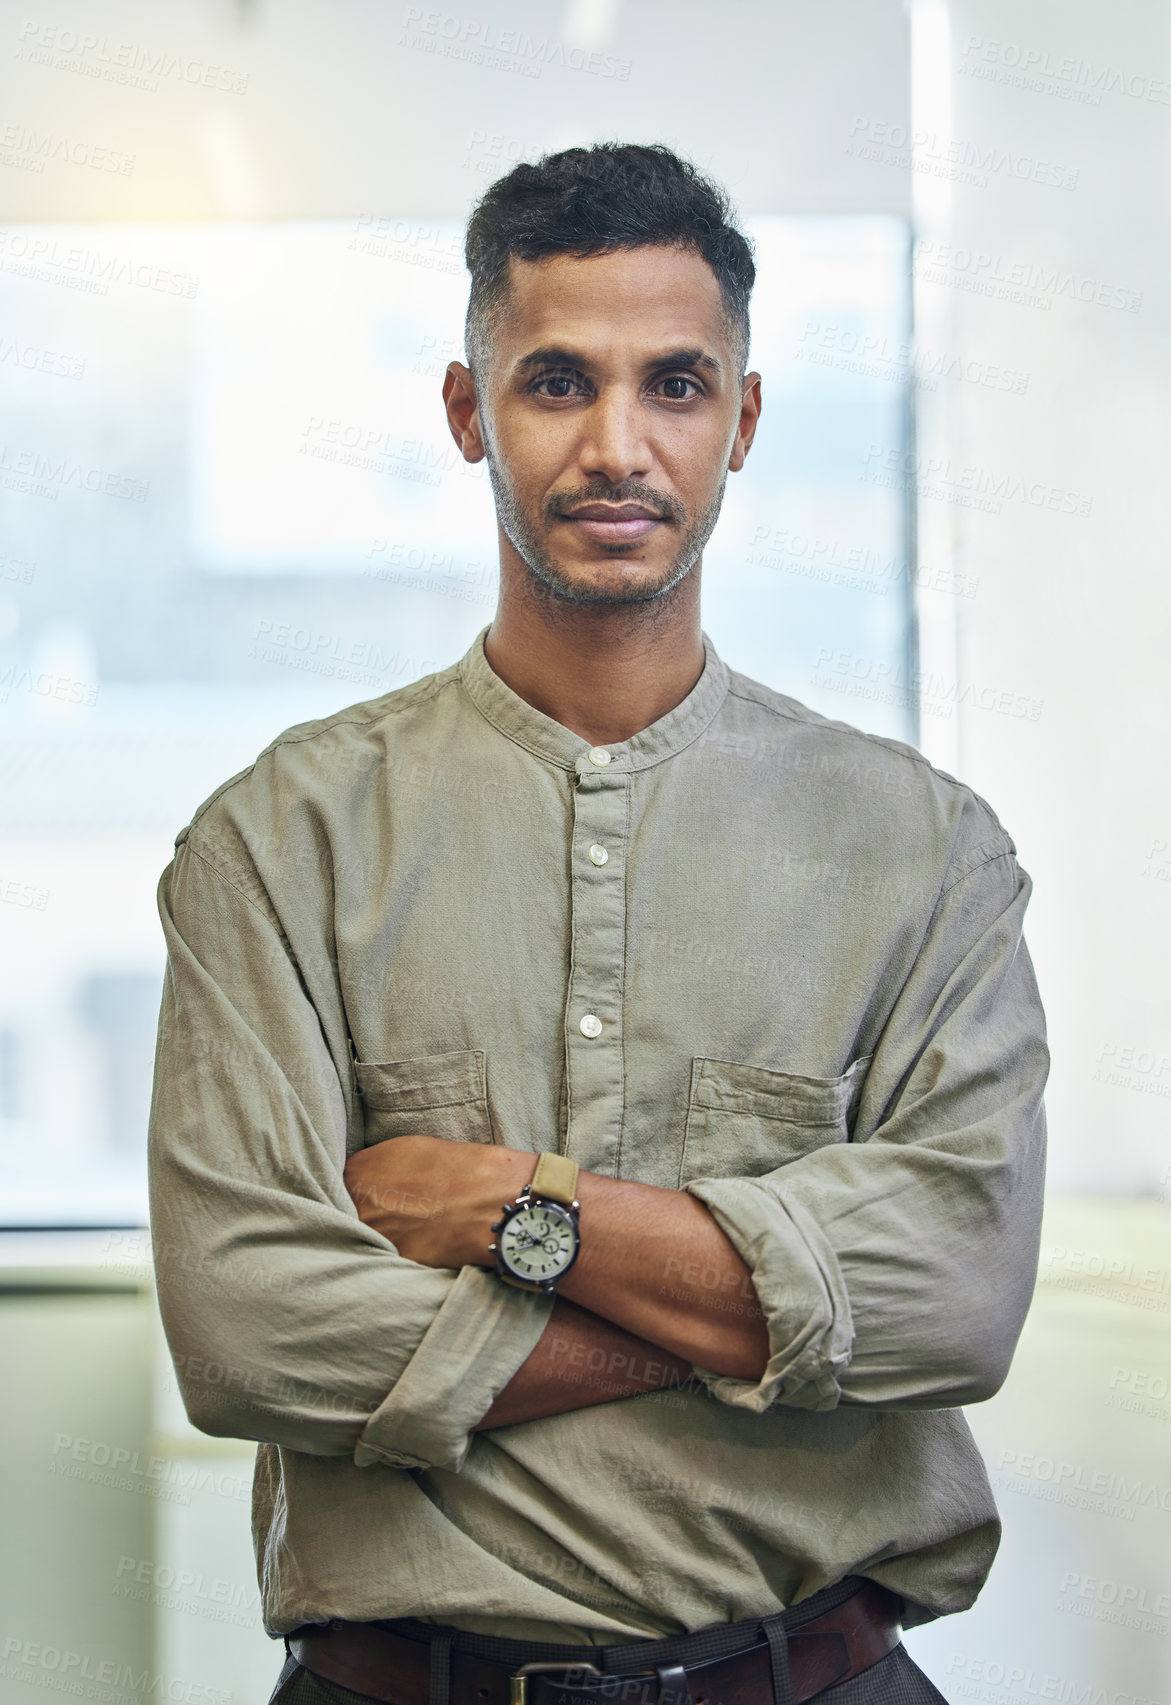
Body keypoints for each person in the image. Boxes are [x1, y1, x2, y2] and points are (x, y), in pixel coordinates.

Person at [147, 143, 1049, 1705]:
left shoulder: (927, 853)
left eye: (677, 384)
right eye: (558, 381)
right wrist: (765, 1303)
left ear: (745, 420)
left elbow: (958, 1298)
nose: (617, 446)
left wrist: (508, 1204)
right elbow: (248, 1329)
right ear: (465, 410)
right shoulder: (277, 842)